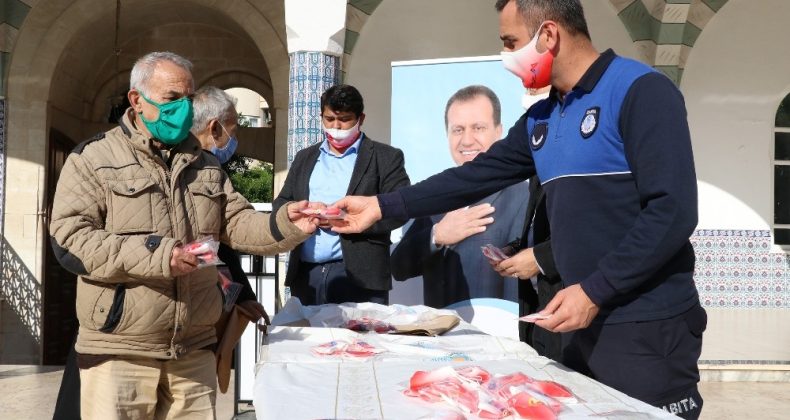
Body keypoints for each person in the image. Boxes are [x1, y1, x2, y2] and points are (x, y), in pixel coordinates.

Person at [330, 1, 706, 418]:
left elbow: (672, 212)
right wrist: (382, 205)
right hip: (575, 326)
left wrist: (596, 290)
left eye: (511, 43)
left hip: (644, 329)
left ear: (548, 35)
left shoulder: (640, 91)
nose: (507, 58)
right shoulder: (542, 118)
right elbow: (472, 177)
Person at [48, 51, 317, 420]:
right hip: (121, 351)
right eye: (172, 100)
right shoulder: (93, 158)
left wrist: (288, 223)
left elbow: (237, 223)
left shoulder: (204, 165)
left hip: (192, 351)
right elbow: (70, 240)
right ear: (137, 100)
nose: (183, 109)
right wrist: (160, 255)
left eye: (187, 99)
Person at [390, 85, 528, 308]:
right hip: (440, 337)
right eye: (458, 130)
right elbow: (399, 267)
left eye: (478, 128)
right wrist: (438, 235)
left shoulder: (523, 196)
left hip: (496, 336)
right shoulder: (437, 197)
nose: (466, 140)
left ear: (499, 131)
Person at [273, 84, 410, 306]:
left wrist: (351, 218)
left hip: (360, 277)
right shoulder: (305, 157)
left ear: (360, 118)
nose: (336, 126)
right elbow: (282, 202)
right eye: (329, 119)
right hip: (307, 275)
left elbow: (400, 207)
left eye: (345, 119)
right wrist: (299, 211)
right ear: (321, 116)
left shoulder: (386, 158)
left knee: (362, 340)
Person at [495, 175, 563, 361]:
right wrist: (516, 249)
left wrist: (539, 258)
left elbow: (595, 235)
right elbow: (541, 232)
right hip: (538, 313)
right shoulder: (538, 176)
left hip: (570, 313)